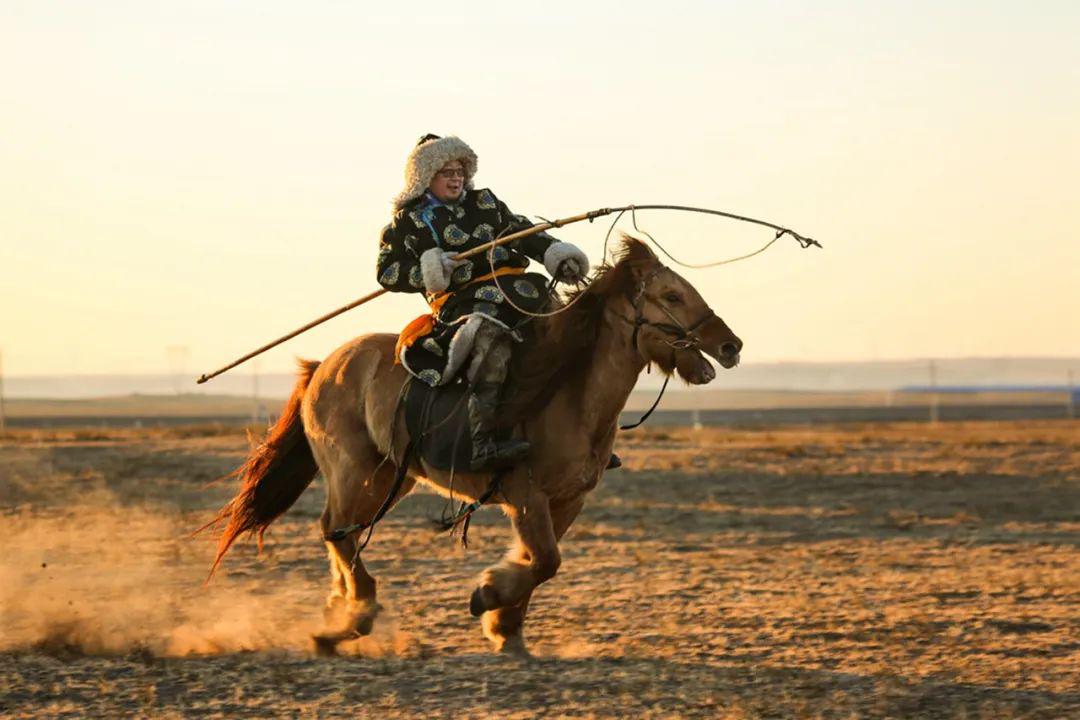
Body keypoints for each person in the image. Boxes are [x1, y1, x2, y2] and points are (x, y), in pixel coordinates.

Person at [376, 134, 589, 471]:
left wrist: (553, 252)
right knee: (491, 341)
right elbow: (387, 272)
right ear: (425, 176)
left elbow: (520, 231)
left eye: (460, 169)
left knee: (569, 332)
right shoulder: (407, 222)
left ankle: (582, 435)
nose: (456, 177)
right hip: (464, 302)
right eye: (446, 171)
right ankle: (483, 441)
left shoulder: (486, 203)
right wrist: (431, 268)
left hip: (521, 290)